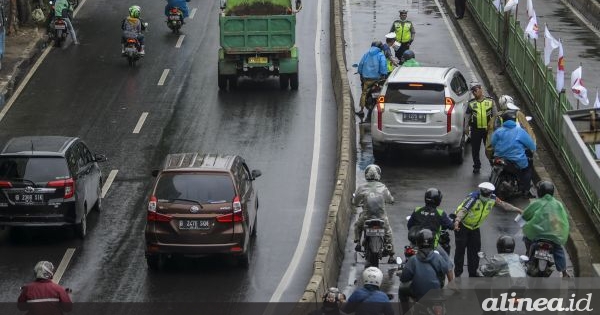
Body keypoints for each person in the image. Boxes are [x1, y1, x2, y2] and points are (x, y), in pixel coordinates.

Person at [453, 182, 522, 277]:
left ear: (490, 193)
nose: (485, 196)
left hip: (474, 228)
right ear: (480, 192)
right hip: (462, 226)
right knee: (460, 251)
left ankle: (473, 273)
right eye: (483, 194)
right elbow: (463, 210)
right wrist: (457, 221)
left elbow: (504, 205)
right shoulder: (473, 198)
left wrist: (518, 210)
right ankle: (457, 273)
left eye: (487, 194)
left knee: (474, 252)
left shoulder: (492, 198)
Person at [521, 180, 570, 277]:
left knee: (526, 238)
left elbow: (526, 214)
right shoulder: (558, 204)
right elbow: (564, 218)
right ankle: (564, 272)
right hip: (554, 236)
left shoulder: (537, 203)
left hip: (537, 235)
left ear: (540, 192)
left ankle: (528, 256)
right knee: (558, 250)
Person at [398, 229, 453, 315]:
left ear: (417, 242)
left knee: (401, 290)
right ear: (432, 242)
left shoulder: (413, 260)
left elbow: (404, 279)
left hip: (418, 294)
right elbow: (448, 269)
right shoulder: (438, 258)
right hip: (436, 293)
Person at [353, 164, 396, 264]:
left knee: (357, 226)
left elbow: (355, 202)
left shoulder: (361, 187)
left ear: (366, 175)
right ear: (378, 175)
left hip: (366, 217)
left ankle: (358, 242)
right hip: (381, 218)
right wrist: (391, 201)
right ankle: (391, 255)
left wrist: (355, 203)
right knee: (388, 232)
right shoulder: (383, 187)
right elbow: (390, 199)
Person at [491, 110, 537, 197]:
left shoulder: (498, 131)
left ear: (503, 120)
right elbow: (532, 146)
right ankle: (526, 191)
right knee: (527, 169)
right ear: (515, 120)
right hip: (516, 160)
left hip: (499, 157)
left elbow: (493, 143)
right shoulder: (520, 131)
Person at [485, 94, 536, 161]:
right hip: (518, 153)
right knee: (526, 168)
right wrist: (532, 150)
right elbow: (529, 133)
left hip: (500, 155)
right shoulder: (519, 114)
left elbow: (490, 138)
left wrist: (490, 154)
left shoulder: (495, 118)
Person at [465, 83, 497, 174]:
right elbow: (467, 116)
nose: (475, 93)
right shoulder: (471, 103)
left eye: (476, 90)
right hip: (475, 130)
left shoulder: (490, 101)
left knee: (490, 149)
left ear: (481, 89)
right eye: (473, 91)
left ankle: (493, 166)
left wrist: (495, 127)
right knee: (475, 149)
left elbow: (495, 115)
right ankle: (476, 166)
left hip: (488, 130)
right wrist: (466, 127)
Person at [356, 41, 387, 121]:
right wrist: (383, 74)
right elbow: (383, 66)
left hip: (366, 79)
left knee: (364, 93)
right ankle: (381, 109)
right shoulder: (381, 55)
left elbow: (361, 64)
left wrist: (360, 73)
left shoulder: (366, 54)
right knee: (381, 93)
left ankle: (361, 110)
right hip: (377, 79)